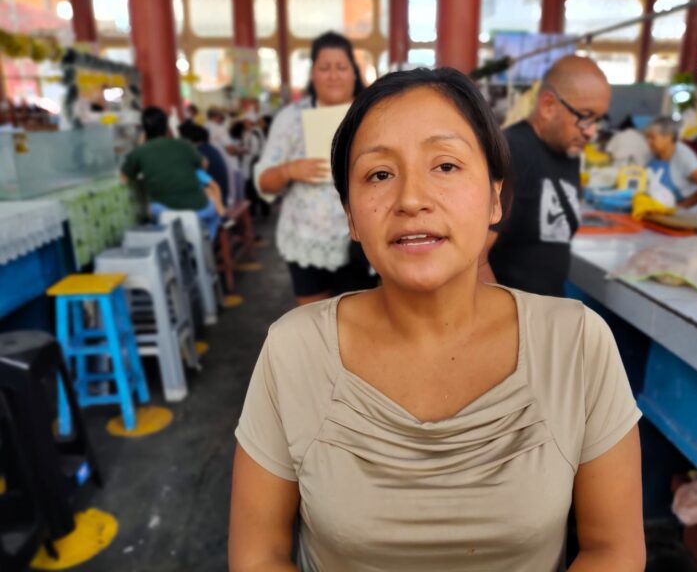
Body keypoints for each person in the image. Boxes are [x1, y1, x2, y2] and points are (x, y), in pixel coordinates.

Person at [230, 67, 645, 572]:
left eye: (445, 166)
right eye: (379, 174)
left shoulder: (577, 343)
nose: (411, 200)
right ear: (351, 217)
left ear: (495, 198)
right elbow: (258, 555)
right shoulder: (292, 351)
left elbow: (614, 550)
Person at [253, 31, 376, 305]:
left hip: (361, 240)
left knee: (361, 322)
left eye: (341, 67)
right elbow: (263, 182)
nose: (333, 75)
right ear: (312, 74)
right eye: (324, 67)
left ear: (354, 73)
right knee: (314, 325)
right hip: (306, 238)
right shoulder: (290, 119)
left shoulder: (372, 116)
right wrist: (288, 171)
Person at [485, 56, 611, 297]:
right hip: (515, 318)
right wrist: (505, 321)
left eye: (598, 120)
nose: (592, 131)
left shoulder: (567, 152)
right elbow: (474, 260)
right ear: (548, 106)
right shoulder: (513, 154)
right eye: (585, 116)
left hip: (548, 311)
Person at [120, 106, 220, 239]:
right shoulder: (183, 144)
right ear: (167, 126)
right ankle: (206, 242)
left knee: (152, 210)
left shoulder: (139, 152)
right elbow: (204, 163)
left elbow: (123, 178)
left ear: (143, 130)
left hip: (167, 214)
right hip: (199, 210)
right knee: (214, 214)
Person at [645, 116, 697, 209]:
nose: (648, 142)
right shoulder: (652, 154)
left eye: (652, 137)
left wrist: (681, 207)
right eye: (647, 138)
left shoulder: (684, 155)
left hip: (679, 216)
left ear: (668, 137)